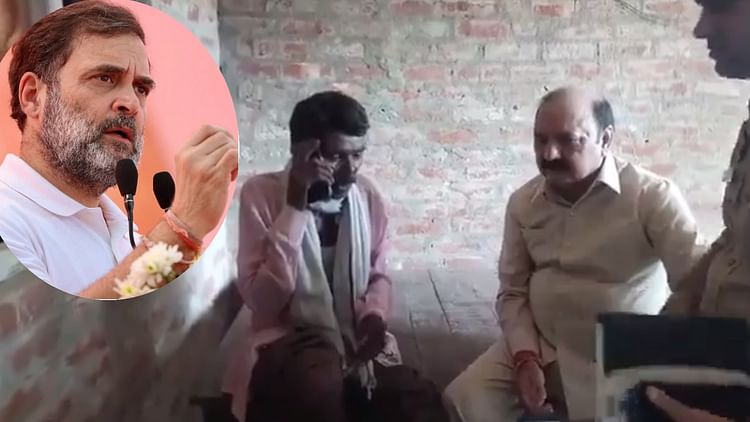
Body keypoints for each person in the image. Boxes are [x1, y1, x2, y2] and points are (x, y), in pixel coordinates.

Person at [443, 86, 706, 422]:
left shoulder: (651, 197)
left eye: (569, 140)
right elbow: (513, 292)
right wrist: (525, 357)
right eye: (540, 140)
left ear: (605, 139)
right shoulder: (523, 203)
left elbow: (696, 281)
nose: (550, 153)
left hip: (618, 358)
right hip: (543, 346)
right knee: (464, 401)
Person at [222, 91, 447, 422]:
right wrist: (296, 205)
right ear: (302, 153)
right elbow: (263, 302)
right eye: (336, 157)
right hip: (288, 337)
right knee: (319, 384)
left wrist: (373, 314)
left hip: (351, 333)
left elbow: (378, 274)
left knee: (416, 401)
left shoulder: (365, 195)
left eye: (357, 155)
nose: (350, 170)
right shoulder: (263, 195)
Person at [0, 1, 238, 299]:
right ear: (33, 96)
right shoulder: (8, 218)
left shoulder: (127, 233)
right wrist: (181, 230)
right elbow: (57, 327)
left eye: (141, 88)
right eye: (105, 78)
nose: (131, 103)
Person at [654, 0, 750, 419]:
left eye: (720, 7)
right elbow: (734, 239)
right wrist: (667, 324)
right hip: (722, 359)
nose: (700, 29)